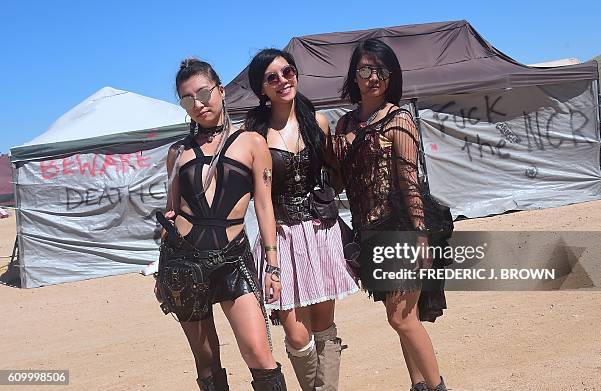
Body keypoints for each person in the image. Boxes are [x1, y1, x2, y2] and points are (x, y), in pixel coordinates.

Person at [154, 58, 287, 390]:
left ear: (221, 91)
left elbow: (265, 207)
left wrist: (272, 267)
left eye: (204, 93)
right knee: (207, 363)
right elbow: (171, 213)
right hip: (183, 265)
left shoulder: (253, 143)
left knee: (260, 354)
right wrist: (161, 270)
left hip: (231, 262)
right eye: (187, 100)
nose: (198, 104)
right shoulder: (177, 152)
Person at [332, 39, 448, 391]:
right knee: (402, 317)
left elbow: (409, 183)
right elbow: (338, 181)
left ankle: (438, 386)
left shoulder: (399, 121)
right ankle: (419, 386)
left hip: (400, 230)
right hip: (367, 232)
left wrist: (421, 238)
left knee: (401, 318)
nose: (373, 77)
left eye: (381, 70)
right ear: (354, 75)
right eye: (365, 69)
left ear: (391, 76)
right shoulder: (344, 125)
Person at [243, 48, 359, 391]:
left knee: (325, 326)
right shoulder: (254, 131)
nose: (283, 81)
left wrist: (332, 190)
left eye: (288, 72)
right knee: (295, 332)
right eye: (272, 77)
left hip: (320, 231)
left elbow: (335, 174)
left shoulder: (317, 121)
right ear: (261, 88)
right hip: (280, 235)